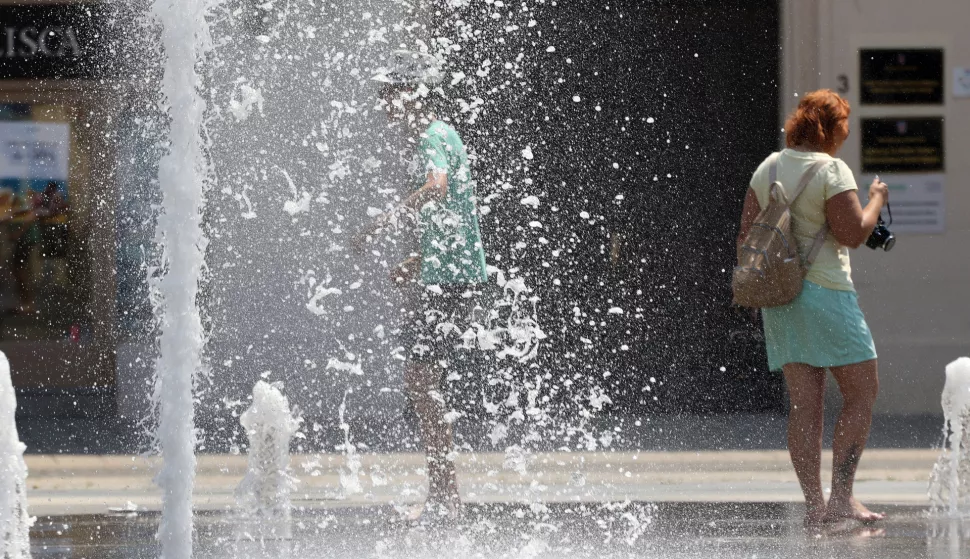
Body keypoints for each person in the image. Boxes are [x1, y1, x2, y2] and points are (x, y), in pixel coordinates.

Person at [736, 90, 889, 527]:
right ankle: (842, 496)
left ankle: (814, 505)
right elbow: (853, 232)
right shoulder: (832, 168)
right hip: (826, 293)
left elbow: (747, 236)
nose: (846, 134)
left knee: (806, 405)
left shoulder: (768, 166)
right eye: (844, 126)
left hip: (781, 301)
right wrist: (876, 197)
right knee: (862, 392)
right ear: (832, 128)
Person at [357, 50, 488, 521]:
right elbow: (452, 212)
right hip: (448, 274)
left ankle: (444, 497)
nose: (385, 107)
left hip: (450, 280)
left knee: (422, 384)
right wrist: (420, 259)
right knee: (425, 385)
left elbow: (437, 185)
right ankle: (444, 495)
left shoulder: (431, 137)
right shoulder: (445, 132)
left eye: (389, 96)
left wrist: (384, 220)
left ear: (410, 94)